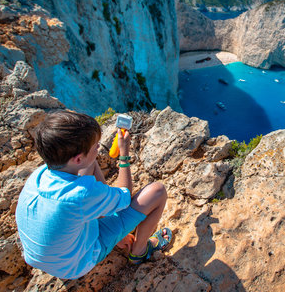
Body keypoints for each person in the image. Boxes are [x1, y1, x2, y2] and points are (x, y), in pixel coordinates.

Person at [15, 110, 172, 279]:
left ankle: (112, 220)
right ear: (77, 159)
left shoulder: (38, 176)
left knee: (89, 165)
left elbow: (83, 176)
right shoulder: (81, 194)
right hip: (75, 265)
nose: (98, 147)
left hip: (46, 258)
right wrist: (124, 153)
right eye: (95, 146)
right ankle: (139, 252)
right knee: (157, 192)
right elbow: (125, 197)